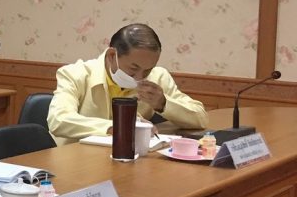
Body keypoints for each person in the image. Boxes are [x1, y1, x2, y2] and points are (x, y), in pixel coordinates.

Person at [47, 23, 208, 146]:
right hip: (77, 159)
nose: (139, 77)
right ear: (112, 55)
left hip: (130, 159)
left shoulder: (157, 77)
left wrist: (163, 103)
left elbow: (200, 118)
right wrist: (118, 127)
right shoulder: (76, 74)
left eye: (147, 70)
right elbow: (59, 120)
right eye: (133, 69)